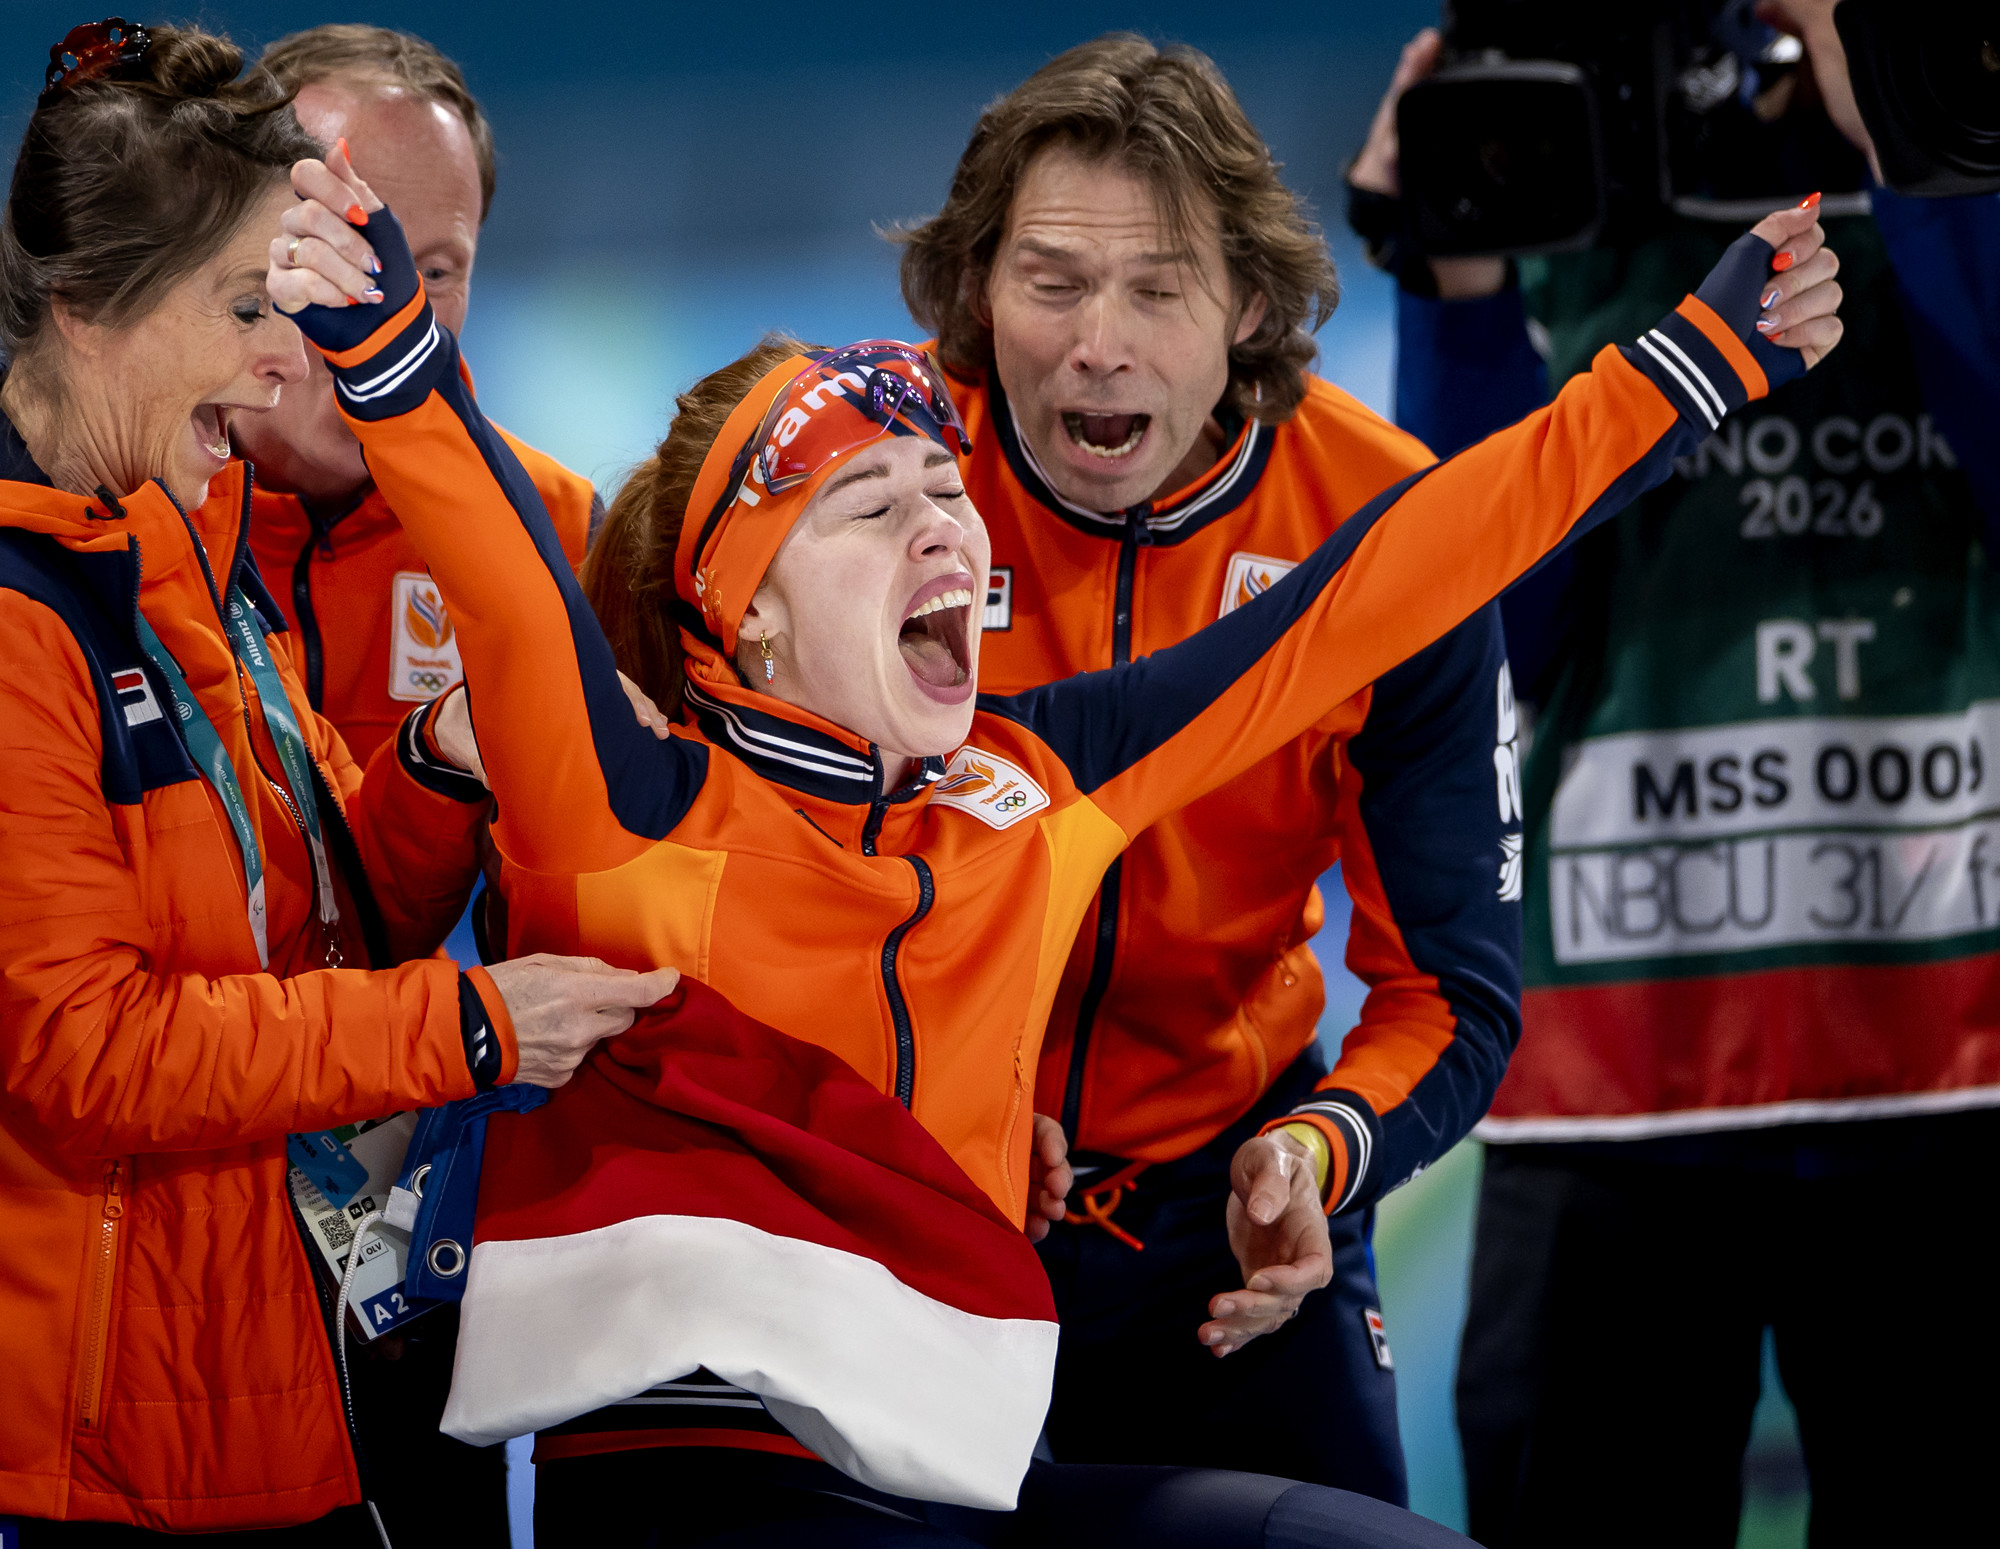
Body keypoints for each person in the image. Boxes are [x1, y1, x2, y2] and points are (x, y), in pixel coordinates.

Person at [271, 117, 1835, 1541]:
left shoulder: (1030, 792)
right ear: (743, 614)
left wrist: (1690, 365)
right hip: (716, 1480)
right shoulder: (622, 811)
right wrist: (387, 346)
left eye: (942, 489)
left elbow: (1395, 578)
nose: (943, 529)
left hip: (979, 1467)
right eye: (871, 506)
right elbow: (490, 545)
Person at [0, 23, 676, 1541]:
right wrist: (472, 1025)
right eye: (246, 302)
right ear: (86, 309)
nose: (283, 350)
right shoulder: (31, 606)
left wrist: (440, 758)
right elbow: (86, 1050)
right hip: (115, 1437)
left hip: (276, 1361)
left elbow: (312, 921)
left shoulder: (172, 531)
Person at [1348, 7, 2000, 1545]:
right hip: (1613, 1069)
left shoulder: (1966, 110)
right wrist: (1456, 282)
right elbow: (1485, 637)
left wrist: (1912, 130)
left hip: (1954, 1063)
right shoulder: (1568, 141)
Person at [895, 34, 1516, 1497]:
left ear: (1246, 303)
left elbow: (1451, 991)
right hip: (910, 1179)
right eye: (1052, 282)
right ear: (978, 290)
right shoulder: (864, 478)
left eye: (1158, 288)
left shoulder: (1385, 520)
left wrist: (1318, 1149)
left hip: (1238, 1199)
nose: (1098, 343)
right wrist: (932, 1095)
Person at [232, 24, 598, 767]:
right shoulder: (120, 521)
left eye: (433, 272)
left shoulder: (562, 533)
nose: (390, 309)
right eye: (346, 246)